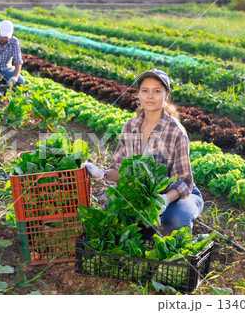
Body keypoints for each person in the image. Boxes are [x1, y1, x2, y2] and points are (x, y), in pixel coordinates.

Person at [83, 69, 203, 235]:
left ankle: (176, 247)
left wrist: (165, 199)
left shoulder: (176, 131)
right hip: (143, 194)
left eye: (157, 91)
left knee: (175, 219)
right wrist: (101, 173)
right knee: (112, 212)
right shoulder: (131, 126)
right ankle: (147, 231)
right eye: (145, 90)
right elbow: (121, 170)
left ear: (166, 96)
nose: (150, 96)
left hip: (178, 195)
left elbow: (184, 182)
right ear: (138, 94)